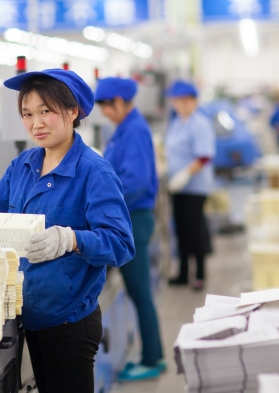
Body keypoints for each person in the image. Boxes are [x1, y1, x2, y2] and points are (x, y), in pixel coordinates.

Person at [0, 69, 135, 393]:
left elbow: (121, 243)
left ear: (72, 111)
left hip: (69, 323)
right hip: (26, 317)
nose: (36, 123)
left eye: (46, 111)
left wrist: (71, 239)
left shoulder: (93, 172)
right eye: (28, 114)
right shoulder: (23, 165)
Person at [94, 77, 165, 381]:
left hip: (133, 221)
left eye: (107, 108)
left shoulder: (133, 130)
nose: (106, 114)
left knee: (140, 292)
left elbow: (133, 182)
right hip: (128, 219)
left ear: (119, 102)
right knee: (139, 291)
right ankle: (152, 354)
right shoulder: (124, 129)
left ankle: (152, 359)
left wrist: (101, 202)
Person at [165, 80, 215, 291]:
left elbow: (204, 157)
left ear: (193, 101)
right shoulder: (177, 122)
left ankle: (200, 275)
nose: (179, 104)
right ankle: (184, 273)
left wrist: (185, 174)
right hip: (178, 187)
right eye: (176, 101)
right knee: (182, 230)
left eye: (183, 100)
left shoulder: (200, 124)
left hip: (195, 187)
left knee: (195, 230)